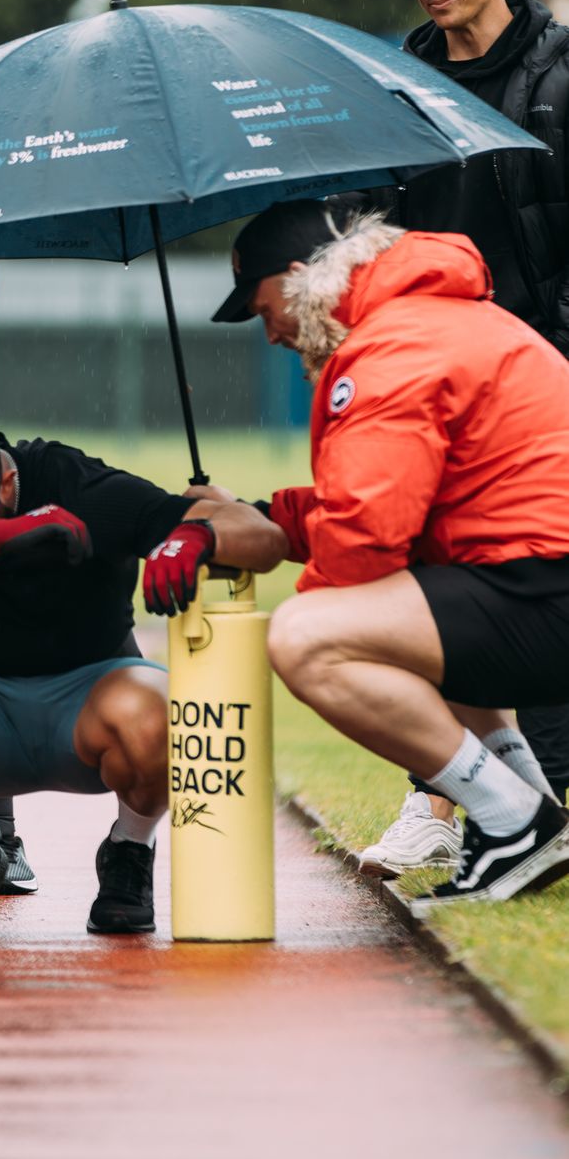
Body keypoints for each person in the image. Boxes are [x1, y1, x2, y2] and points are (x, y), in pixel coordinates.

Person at [200, 198, 569, 905]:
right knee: (425, 600)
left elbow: (364, 545)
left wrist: (309, 587)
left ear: (302, 276)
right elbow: (397, 504)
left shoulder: (390, 344)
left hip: (546, 587)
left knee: (308, 637)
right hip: (540, 577)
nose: (268, 329)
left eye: (261, 303)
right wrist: (263, 518)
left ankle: (513, 821)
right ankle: (529, 805)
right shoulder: (427, 317)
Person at [0, 409, 279, 934]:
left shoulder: (80, 487)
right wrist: (0, 532)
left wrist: (196, 536)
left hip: (90, 707)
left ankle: (129, 851)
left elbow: (263, 535)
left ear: (7, 480)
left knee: (161, 708)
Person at [356, 0, 569, 877]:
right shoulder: (392, 85)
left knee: (544, 587)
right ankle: (439, 806)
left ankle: (547, 802)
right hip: (430, 391)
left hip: (540, 380)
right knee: (430, 597)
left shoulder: (559, 77)